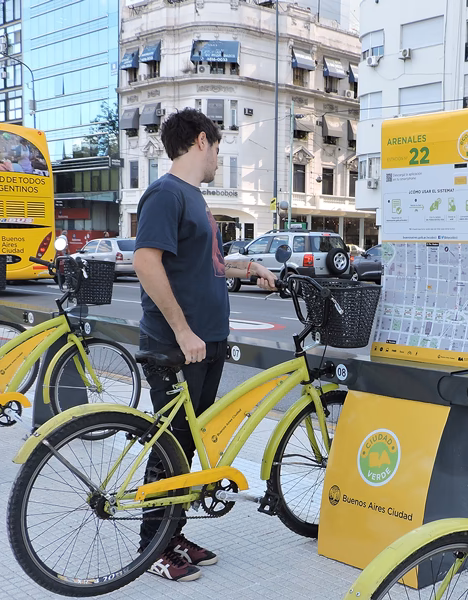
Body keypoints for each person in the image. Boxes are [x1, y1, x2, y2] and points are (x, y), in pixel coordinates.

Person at [133, 108, 277, 583]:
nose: (218, 157)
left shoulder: (195, 199)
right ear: (200, 142)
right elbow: (146, 262)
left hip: (207, 341)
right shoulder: (165, 194)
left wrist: (249, 269)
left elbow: (208, 264)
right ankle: (150, 546)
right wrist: (182, 331)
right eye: (217, 148)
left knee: (189, 445)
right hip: (180, 345)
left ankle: (172, 534)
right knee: (169, 446)